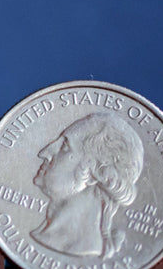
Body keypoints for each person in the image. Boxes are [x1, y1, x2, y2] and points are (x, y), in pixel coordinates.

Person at [31, 111, 145, 258]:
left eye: (65, 146)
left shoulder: (82, 249)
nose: (44, 153)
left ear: (94, 172)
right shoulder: (40, 236)